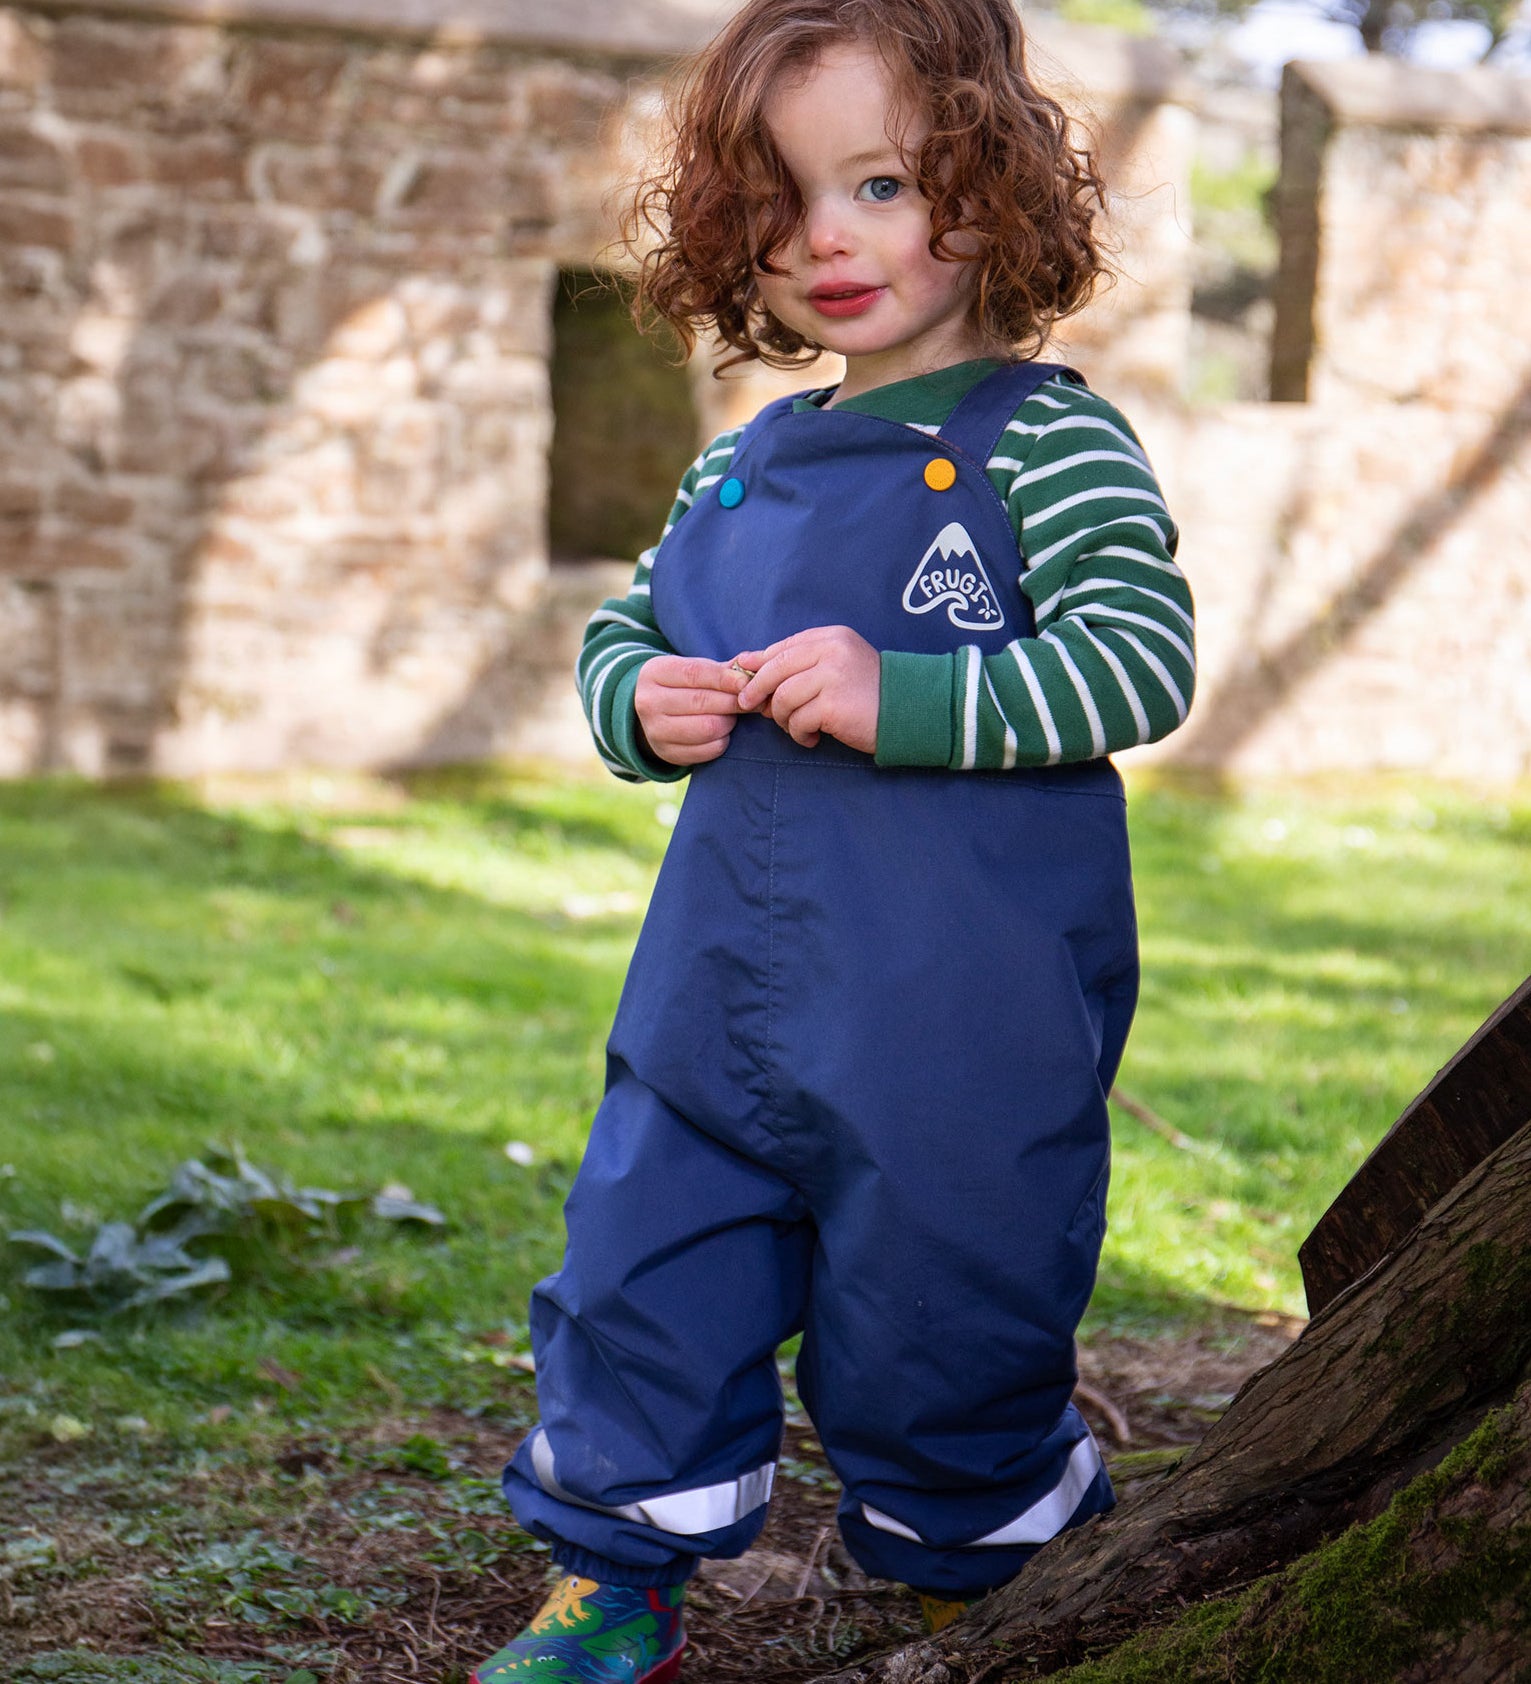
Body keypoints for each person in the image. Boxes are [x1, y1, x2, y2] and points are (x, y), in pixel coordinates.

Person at [472, 0, 1195, 1677]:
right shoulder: (737, 466)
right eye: (779, 200)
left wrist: (903, 690)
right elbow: (627, 629)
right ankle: (613, 1576)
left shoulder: (1049, 440)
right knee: (643, 1264)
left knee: (953, 1288)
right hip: (712, 999)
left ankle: (976, 1565)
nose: (825, 239)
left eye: (880, 184)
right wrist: (636, 696)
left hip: (956, 1015)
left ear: (993, 184)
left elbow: (1140, 661)